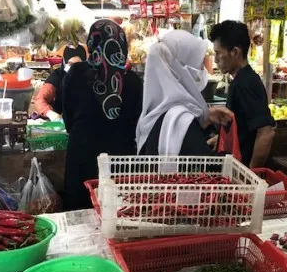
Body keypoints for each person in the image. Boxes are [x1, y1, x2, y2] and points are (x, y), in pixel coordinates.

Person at [62, 19, 143, 210]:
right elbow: (137, 121)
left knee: (81, 209)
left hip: (82, 153)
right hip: (120, 159)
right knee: (117, 212)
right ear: (121, 45)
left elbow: (68, 115)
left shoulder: (76, 73)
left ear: (91, 43)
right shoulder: (133, 81)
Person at [136, 30, 233, 156]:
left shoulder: (154, 113)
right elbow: (204, 165)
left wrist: (204, 119)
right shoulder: (178, 119)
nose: (202, 71)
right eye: (198, 65)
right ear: (179, 69)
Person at [209, 20, 275, 168]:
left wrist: (251, 174)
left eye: (218, 53)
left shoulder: (246, 83)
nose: (215, 60)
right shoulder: (240, 80)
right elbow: (243, 127)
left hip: (244, 170)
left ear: (235, 52)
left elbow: (266, 133)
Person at [34, 45, 87, 120]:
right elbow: (40, 99)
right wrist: (50, 113)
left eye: (78, 65)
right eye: (71, 64)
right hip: (58, 123)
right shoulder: (57, 77)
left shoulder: (89, 77)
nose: (74, 69)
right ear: (64, 63)